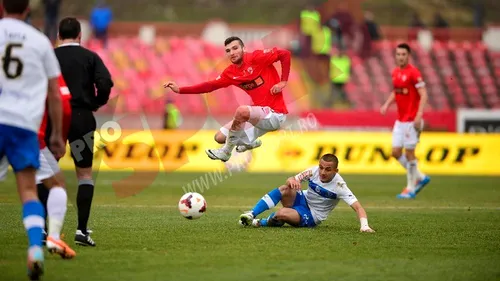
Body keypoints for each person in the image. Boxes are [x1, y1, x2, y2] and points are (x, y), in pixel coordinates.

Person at [0, 0, 65, 279]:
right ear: (28, 9)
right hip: (25, 126)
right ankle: (35, 248)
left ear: (2, 6)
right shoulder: (40, 42)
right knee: (28, 190)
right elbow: (55, 93)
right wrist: (57, 134)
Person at [164, 36, 291, 162]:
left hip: (275, 114)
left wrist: (283, 81)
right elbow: (210, 86)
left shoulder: (256, 57)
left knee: (242, 111)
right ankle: (248, 143)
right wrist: (180, 89)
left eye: (235, 48)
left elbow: (285, 54)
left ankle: (226, 151)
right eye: (228, 51)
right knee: (219, 137)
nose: (232, 53)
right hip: (258, 116)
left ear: (243, 48)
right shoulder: (231, 73)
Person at [0, 75, 76, 259]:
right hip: (28, 135)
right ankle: (48, 240)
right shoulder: (42, 56)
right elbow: (63, 104)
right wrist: (59, 136)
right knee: (44, 186)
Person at [54, 17, 114, 247]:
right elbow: (106, 83)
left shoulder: (50, 55)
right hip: (81, 117)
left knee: (46, 169)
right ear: (80, 35)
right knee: (84, 175)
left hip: (55, 116)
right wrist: (97, 102)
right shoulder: (90, 57)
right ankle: (80, 230)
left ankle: (42, 229)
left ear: (59, 36)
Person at [239, 154, 375, 232]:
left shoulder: (340, 186)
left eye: (328, 169)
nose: (322, 172)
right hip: (301, 199)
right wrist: (293, 181)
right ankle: (251, 214)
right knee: (284, 188)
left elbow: (358, 207)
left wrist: (364, 226)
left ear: (335, 171)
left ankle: (260, 222)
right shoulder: (313, 171)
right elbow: (290, 179)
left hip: (312, 215)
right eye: (321, 167)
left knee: (281, 214)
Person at [380, 43, 431, 199]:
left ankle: (410, 188)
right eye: (398, 54)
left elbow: (423, 94)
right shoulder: (395, 72)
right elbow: (396, 92)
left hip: (411, 120)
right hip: (400, 120)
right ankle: (421, 177)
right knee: (395, 152)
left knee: (409, 153)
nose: (400, 57)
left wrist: (419, 115)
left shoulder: (414, 73)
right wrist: (387, 104)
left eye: (403, 54)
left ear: (408, 56)